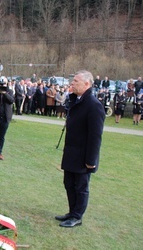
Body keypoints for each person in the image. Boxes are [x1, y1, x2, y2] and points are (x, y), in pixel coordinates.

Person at [55, 70, 105, 228]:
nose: (72, 83)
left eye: (76, 81)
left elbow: (95, 136)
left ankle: (77, 216)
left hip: (83, 156)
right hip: (71, 152)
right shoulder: (75, 100)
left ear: (86, 84)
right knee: (69, 183)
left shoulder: (94, 105)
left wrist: (91, 161)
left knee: (81, 187)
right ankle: (72, 212)